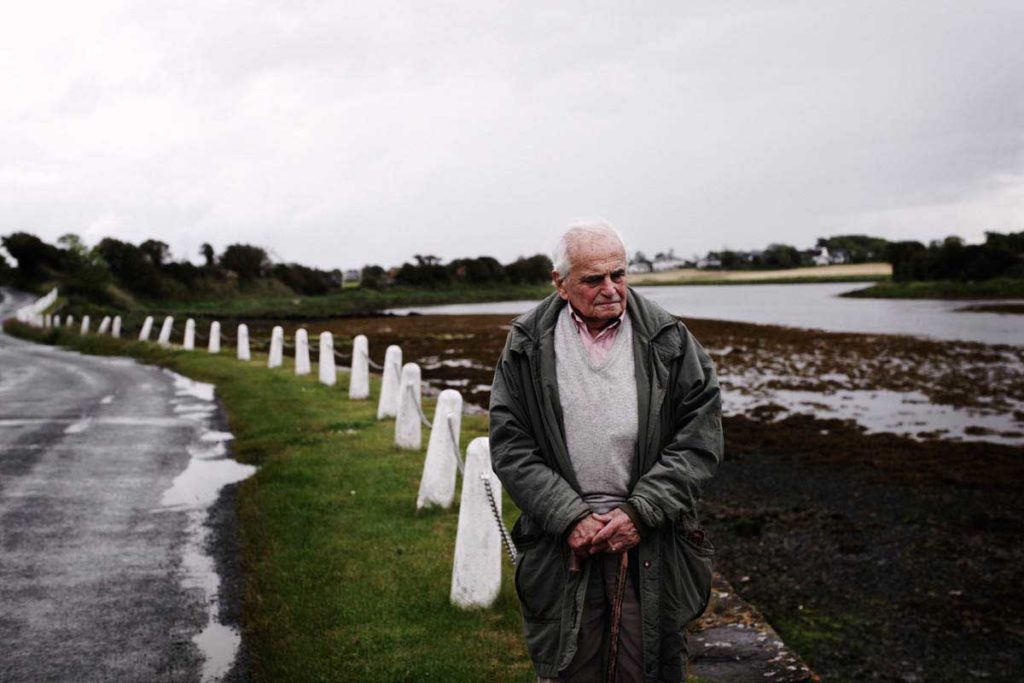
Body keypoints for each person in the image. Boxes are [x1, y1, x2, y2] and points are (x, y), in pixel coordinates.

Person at [489, 221, 723, 682]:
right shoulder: (526, 344)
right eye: (594, 279)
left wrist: (640, 513)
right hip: (562, 543)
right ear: (560, 283)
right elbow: (511, 444)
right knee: (568, 667)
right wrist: (569, 516)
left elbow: (700, 439)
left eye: (619, 274)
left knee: (648, 668)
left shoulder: (669, 339)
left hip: (651, 537)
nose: (611, 289)